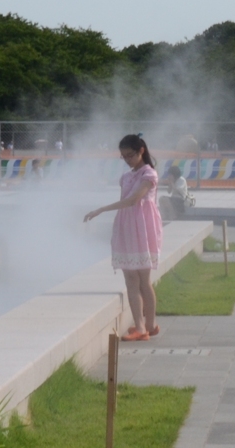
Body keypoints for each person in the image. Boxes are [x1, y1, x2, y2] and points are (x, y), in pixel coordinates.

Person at [84, 134, 162, 342]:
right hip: (128, 226)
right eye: (123, 156)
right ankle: (144, 325)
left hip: (143, 228)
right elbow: (125, 202)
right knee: (131, 278)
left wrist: (101, 209)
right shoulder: (127, 176)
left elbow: (133, 201)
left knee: (142, 279)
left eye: (130, 155)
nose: (127, 159)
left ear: (141, 152)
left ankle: (146, 326)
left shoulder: (149, 174)